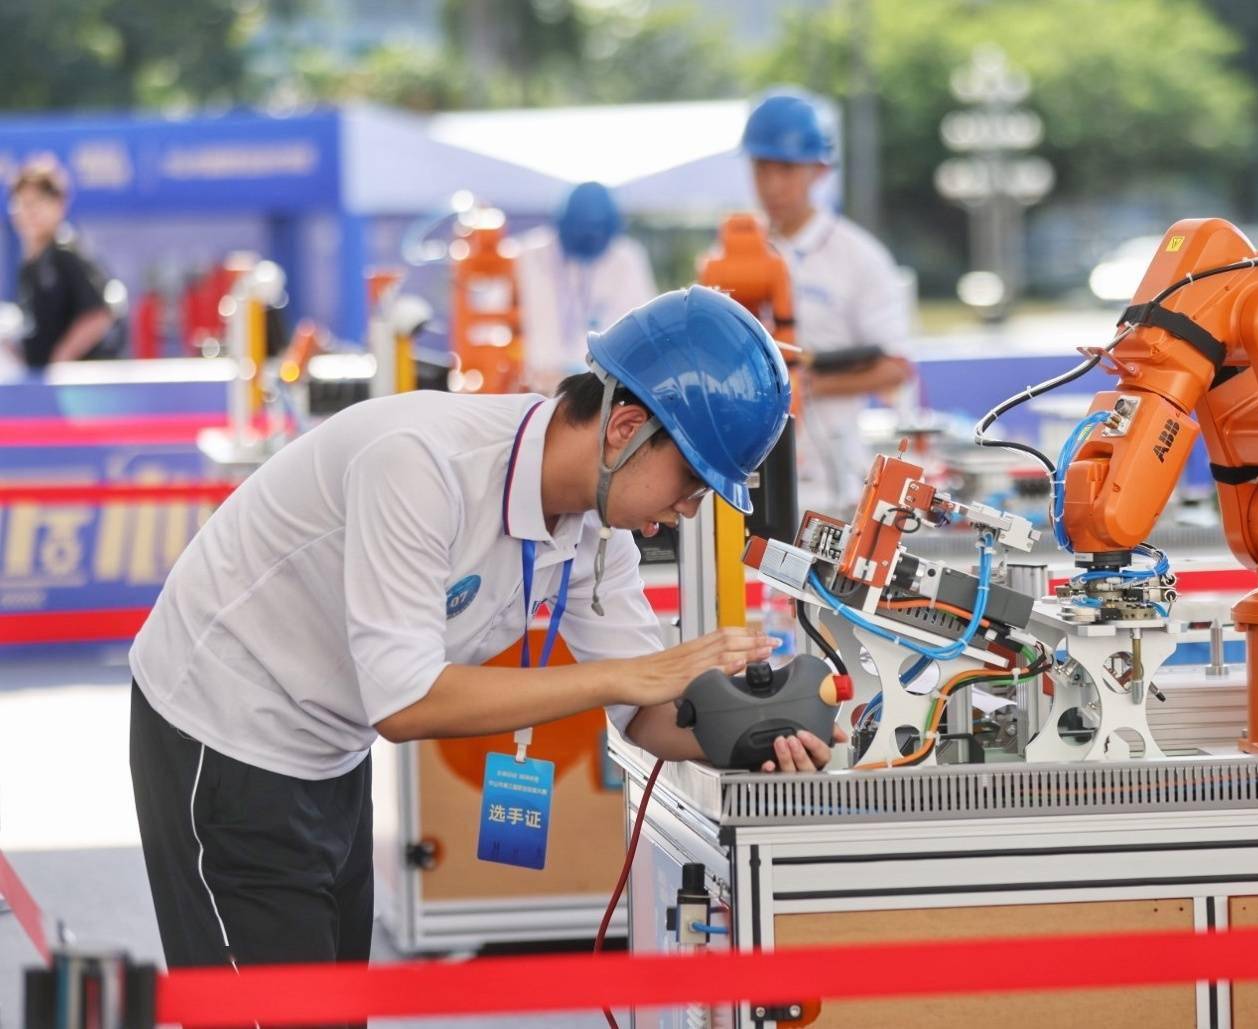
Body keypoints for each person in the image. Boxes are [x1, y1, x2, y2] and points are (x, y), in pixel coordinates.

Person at [127, 285, 838, 975]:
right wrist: (627, 676)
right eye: (691, 481)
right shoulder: (420, 463)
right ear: (626, 429)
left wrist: (754, 737)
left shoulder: (598, 530)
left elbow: (646, 714)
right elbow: (406, 703)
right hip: (222, 730)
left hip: (330, 750)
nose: (689, 509)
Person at [741, 89, 915, 512]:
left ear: (818, 170)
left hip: (831, 480)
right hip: (748, 475)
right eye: (762, 168)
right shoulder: (737, 251)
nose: (772, 184)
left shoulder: (858, 257)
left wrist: (807, 385)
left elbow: (896, 367)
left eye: (786, 169)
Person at [519, 181, 658, 393]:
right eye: (582, 228)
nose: (590, 235)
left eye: (597, 228)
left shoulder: (626, 258)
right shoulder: (532, 254)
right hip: (539, 384)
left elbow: (642, 325)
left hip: (604, 384)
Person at [6, 157, 115, 369]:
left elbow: (98, 315)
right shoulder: (29, 265)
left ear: (59, 205)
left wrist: (59, 362)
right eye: (22, 203)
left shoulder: (65, 253)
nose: (29, 212)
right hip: (40, 383)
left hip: (77, 384)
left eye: (37, 203)